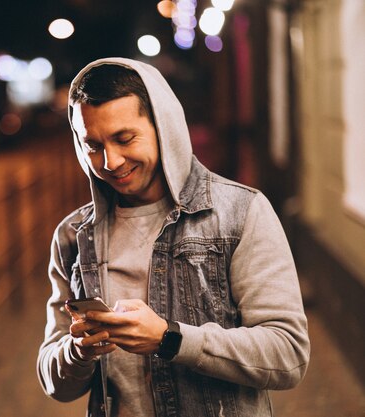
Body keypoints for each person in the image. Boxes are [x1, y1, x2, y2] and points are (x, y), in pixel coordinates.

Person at [37, 57, 310, 417]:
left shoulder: (240, 213)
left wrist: (170, 339)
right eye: (93, 145)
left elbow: (287, 355)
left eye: (124, 138)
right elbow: (55, 383)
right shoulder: (74, 236)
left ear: (164, 127)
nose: (110, 162)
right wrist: (77, 352)